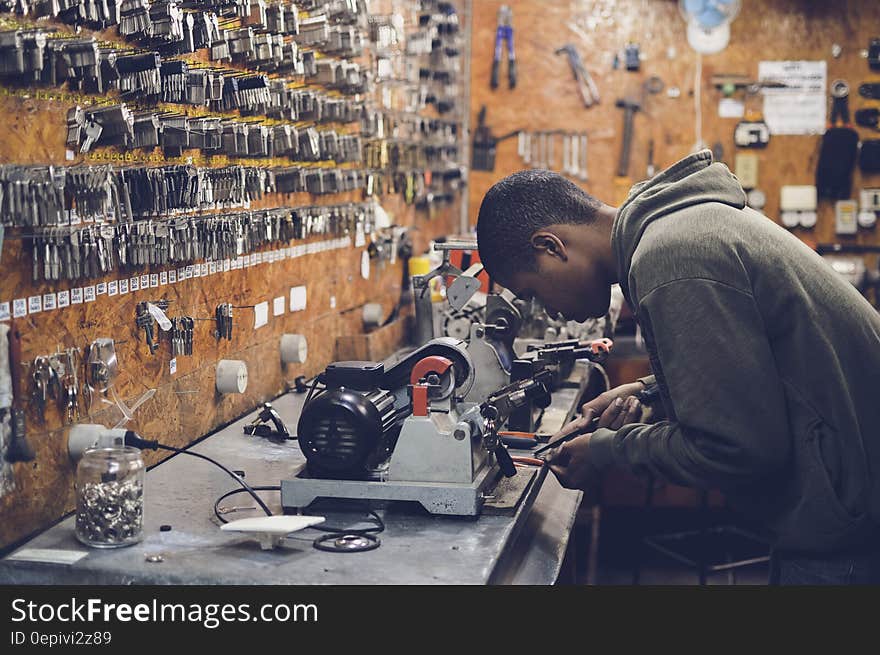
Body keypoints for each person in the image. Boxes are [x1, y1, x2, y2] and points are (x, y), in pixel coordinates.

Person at [475, 150, 880, 584]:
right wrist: (647, 392)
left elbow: (737, 448)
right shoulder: (678, 230)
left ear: (550, 246)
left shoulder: (671, 259)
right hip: (847, 504)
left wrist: (606, 451)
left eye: (532, 292)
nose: (547, 312)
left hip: (850, 532)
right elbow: (753, 367)